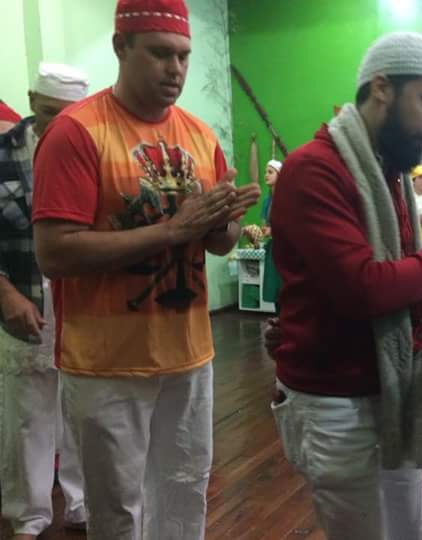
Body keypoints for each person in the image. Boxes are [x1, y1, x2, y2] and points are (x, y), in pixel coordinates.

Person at [30, 1, 260, 538]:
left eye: (183, 55)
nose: (175, 69)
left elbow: (220, 244)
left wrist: (223, 220)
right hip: (106, 364)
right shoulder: (76, 133)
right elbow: (55, 253)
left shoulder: (200, 136)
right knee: (116, 510)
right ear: (121, 47)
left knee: (184, 492)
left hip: (189, 355)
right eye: (159, 53)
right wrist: (171, 231)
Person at [269, 32, 422, 540]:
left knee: (408, 529)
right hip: (335, 402)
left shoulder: (387, 171)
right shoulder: (315, 168)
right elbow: (363, 288)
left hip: (391, 388)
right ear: (381, 88)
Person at [0, 62, 88, 540]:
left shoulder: (95, 151)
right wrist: (6, 293)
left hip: (85, 304)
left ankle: (82, 503)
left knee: (83, 409)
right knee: (27, 414)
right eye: (51, 112)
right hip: (23, 298)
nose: (59, 125)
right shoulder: (3, 152)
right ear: (33, 101)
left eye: (70, 113)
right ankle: (28, 514)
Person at [261, 159, 282, 306]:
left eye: (270, 172)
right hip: (273, 249)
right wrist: (255, 232)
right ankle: (278, 317)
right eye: (265, 172)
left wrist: (273, 230)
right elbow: (264, 227)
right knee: (274, 288)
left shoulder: (287, 198)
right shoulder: (267, 201)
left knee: (284, 286)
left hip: (286, 250)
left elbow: (293, 224)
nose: (266, 175)